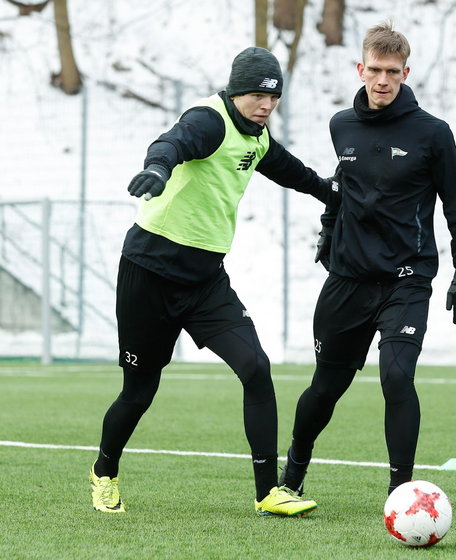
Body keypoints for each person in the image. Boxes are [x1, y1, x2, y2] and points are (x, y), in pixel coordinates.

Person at [88, 47, 340, 517]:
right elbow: (173, 142)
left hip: (205, 281)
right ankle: (104, 473)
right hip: (149, 272)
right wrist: (158, 169)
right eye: (257, 95)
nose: (266, 105)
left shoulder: (257, 138)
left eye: (274, 97)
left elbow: (291, 172)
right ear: (236, 90)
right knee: (139, 392)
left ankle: (269, 491)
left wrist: (333, 191)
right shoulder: (210, 120)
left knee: (256, 368)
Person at [278, 21, 456, 497]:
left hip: (406, 280)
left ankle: (402, 493)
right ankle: (291, 479)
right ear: (360, 68)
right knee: (325, 388)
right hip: (347, 280)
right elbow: (340, 186)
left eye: (393, 71)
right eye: (375, 69)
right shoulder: (340, 125)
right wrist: (328, 234)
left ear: (406, 72)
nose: (383, 80)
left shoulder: (433, 133)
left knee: (395, 375)